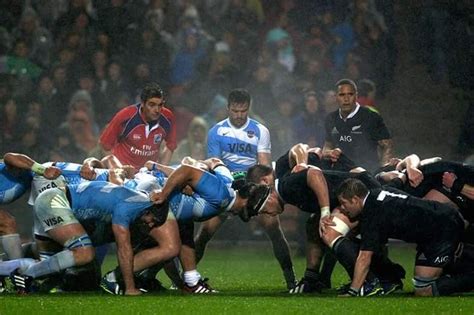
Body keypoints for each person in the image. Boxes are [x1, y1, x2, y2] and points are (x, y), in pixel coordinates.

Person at [196, 88, 297, 290]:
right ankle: (186, 277)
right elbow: (215, 163)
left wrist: (256, 190)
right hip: (226, 188)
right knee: (205, 232)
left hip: (253, 190)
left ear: (248, 108)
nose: (239, 115)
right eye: (235, 111)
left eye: (243, 111)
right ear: (228, 108)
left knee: (274, 230)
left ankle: (291, 280)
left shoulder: (260, 130)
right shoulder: (216, 131)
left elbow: (264, 167)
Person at [6, 181, 179, 296]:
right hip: (56, 202)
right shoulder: (130, 208)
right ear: (148, 210)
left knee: (67, 272)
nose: (150, 226)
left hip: (55, 200)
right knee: (84, 253)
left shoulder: (135, 200)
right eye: (152, 222)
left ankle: (14, 268)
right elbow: (123, 248)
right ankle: (26, 275)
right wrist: (130, 288)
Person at [336, 178, 473, 296]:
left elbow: (365, 257)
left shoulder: (372, 213)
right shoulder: (378, 192)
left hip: (441, 229)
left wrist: (353, 291)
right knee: (440, 268)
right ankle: (458, 257)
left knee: (424, 290)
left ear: (355, 199)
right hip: (442, 218)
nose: (342, 208)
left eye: (343, 203)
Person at [99, 82, 177, 170]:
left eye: (160, 105)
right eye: (152, 105)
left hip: (148, 175)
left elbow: (171, 145)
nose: (157, 110)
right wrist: (117, 171)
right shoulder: (125, 116)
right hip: (124, 173)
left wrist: (162, 169)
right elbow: (105, 145)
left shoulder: (168, 118)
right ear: (143, 103)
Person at [323, 79, 393, 173]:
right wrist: (329, 153)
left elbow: (386, 145)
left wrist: (383, 169)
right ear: (336, 97)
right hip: (340, 173)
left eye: (350, 94)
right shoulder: (331, 118)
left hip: (367, 173)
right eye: (342, 95)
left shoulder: (371, 116)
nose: (346, 99)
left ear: (356, 95)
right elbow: (328, 145)